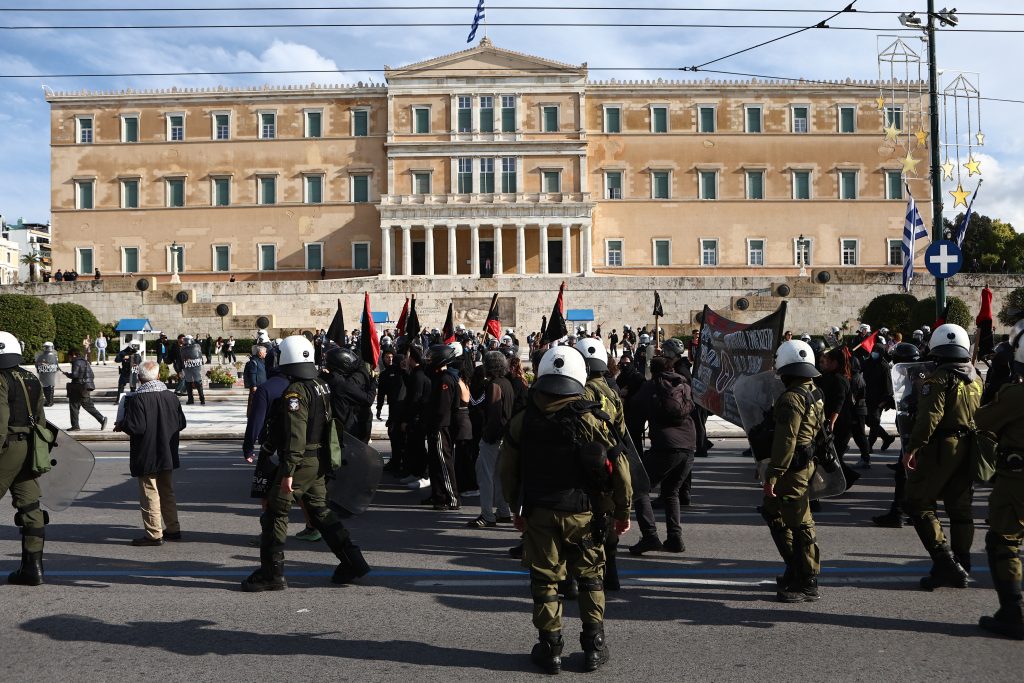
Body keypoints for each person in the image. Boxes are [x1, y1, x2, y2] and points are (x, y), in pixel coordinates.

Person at [499, 346, 632, 674]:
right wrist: (622, 511)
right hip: (583, 514)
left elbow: (507, 470)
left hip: (540, 512)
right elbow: (622, 467)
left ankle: (550, 648)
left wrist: (516, 508)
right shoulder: (592, 418)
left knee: (545, 581)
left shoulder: (523, 420)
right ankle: (593, 648)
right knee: (589, 579)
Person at [241, 335, 370, 592]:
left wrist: (288, 470)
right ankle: (353, 561)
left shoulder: (295, 392)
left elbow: (296, 436)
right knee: (320, 511)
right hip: (318, 460)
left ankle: (272, 573)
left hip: (300, 462)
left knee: (275, 514)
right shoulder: (321, 385)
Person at [902, 323, 982, 590]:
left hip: (942, 446)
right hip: (969, 445)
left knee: (918, 503)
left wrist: (913, 447)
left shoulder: (937, 379)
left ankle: (946, 563)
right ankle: (962, 562)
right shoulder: (975, 378)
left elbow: (929, 419)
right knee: (959, 509)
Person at [761, 339, 824, 603]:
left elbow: (786, 440)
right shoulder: (814, 391)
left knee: (799, 523)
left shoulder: (790, 399)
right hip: (805, 463)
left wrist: (773, 474)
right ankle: (795, 567)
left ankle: (806, 580)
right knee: (774, 512)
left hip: (792, 470)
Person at [974, 321, 1024, 640]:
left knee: (1003, 539)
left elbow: (983, 420)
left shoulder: (1017, 393)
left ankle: (1012, 612)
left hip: (1017, 480)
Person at [629, 355, 695, 556]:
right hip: (689, 445)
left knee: (640, 488)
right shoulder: (683, 384)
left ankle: (649, 535)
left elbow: (634, 414)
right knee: (671, 491)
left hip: (667, 446)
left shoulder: (652, 385)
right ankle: (675, 538)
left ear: (652, 368)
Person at [119, 361, 187, 546]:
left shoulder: (137, 399)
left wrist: (122, 424)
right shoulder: (171, 397)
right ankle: (173, 528)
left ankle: (154, 534)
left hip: (147, 453)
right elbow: (181, 423)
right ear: (158, 376)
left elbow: (137, 427)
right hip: (167, 451)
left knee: (150, 492)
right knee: (167, 491)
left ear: (140, 378)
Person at [0, 332, 49, 585]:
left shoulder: (0, 379)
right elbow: (40, 418)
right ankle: (33, 570)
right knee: (30, 507)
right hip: (30, 447)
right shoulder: (31, 377)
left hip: (7, 448)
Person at [872, 342, 925, 528]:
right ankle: (915, 512)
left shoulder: (920, 380)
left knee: (904, 476)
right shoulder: (916, 376)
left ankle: (899, 514)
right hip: (912, 434)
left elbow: (919, 407)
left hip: (916, 435)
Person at [468, 351, 514, 528]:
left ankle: (487, 514)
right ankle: (503, 511)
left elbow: (494, 414)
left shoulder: (494, 385)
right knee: (498, 476)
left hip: (493, 437)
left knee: (484, 475)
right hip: (505, 436)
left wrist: (487, 436)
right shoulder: (507, 383)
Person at [423, 344, 460, 510]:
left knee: (444, 463)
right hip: (434, 426)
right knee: (434, 462)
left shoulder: (445, 379)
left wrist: (434, 424)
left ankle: (452, 498)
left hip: (440, 426)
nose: (428, 360)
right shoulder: (438, 376)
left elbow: (442, 408)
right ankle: (438, 495)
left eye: (432, 358)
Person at [323, 347, 377, 443]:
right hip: (346, 432)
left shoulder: (324, 379)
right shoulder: (342, 384)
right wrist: (373, 383)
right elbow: (368, 400)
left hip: (330, 429)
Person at [377, 349, 407, 475]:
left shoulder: (404, 373)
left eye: (392, 357)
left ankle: (401, 463)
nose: (390, 360)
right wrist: (378, 408)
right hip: (393, 408)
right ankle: (396, 461)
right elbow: (382, 393)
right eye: (387, 357)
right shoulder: (384, 374)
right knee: (394, 435)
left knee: (400, 436)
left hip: (403, 408)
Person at [64, 348, 106, 431]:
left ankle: (75, 426)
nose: (69, 358)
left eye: (69, 356)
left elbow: (75, 375)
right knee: (88, 405)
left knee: (74, 406)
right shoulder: (85, 361)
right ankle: (101, 419)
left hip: (78, 387)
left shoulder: (76, 362)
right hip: (86, 387)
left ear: (73, 355)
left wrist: (67, 374)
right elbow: (92, 375)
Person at [180, 336, 206, 406]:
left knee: (197, 382)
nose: (185, 342)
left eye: (186, 340)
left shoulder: (196, 346)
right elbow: (182, 358)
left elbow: (199, 356)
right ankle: (190, 399)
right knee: (188, 383)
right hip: (187, 367)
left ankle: (202, 398)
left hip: (195, 366)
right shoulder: (183, 348)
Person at [34, 342, 59, 407]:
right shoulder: (40, 355)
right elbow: (37, 364)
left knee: (49, 387)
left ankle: (50, 401)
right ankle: (49, 401)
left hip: (48, 372)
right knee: (46, 387)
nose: (47, 349)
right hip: (44, 373)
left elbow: (55, 365)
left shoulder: (54, 355)